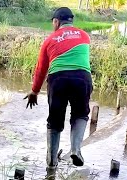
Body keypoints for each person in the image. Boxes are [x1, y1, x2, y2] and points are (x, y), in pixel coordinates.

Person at [24, 7, 93, 179]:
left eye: (52, 22)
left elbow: (41, 69)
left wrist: (34, 91)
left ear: (56, 21)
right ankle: (76, 149)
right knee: (80, 113)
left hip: (58, 79)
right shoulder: (84, 36)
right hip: (82, 77)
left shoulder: (50, 40)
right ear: (71, 21)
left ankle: (51, 162)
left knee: (55, 120)